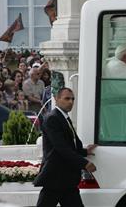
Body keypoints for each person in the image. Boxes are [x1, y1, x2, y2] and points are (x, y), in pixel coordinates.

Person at [34, 72, 97, 207]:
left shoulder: (63, 117)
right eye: (67, 98)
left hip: (66, 179)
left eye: (73, 99)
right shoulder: (52, 118)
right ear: (57, 99)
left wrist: (85, 151)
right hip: (55, 176)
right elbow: (61, 147)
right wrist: (84, 163)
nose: (71, 102)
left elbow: (70, 144)